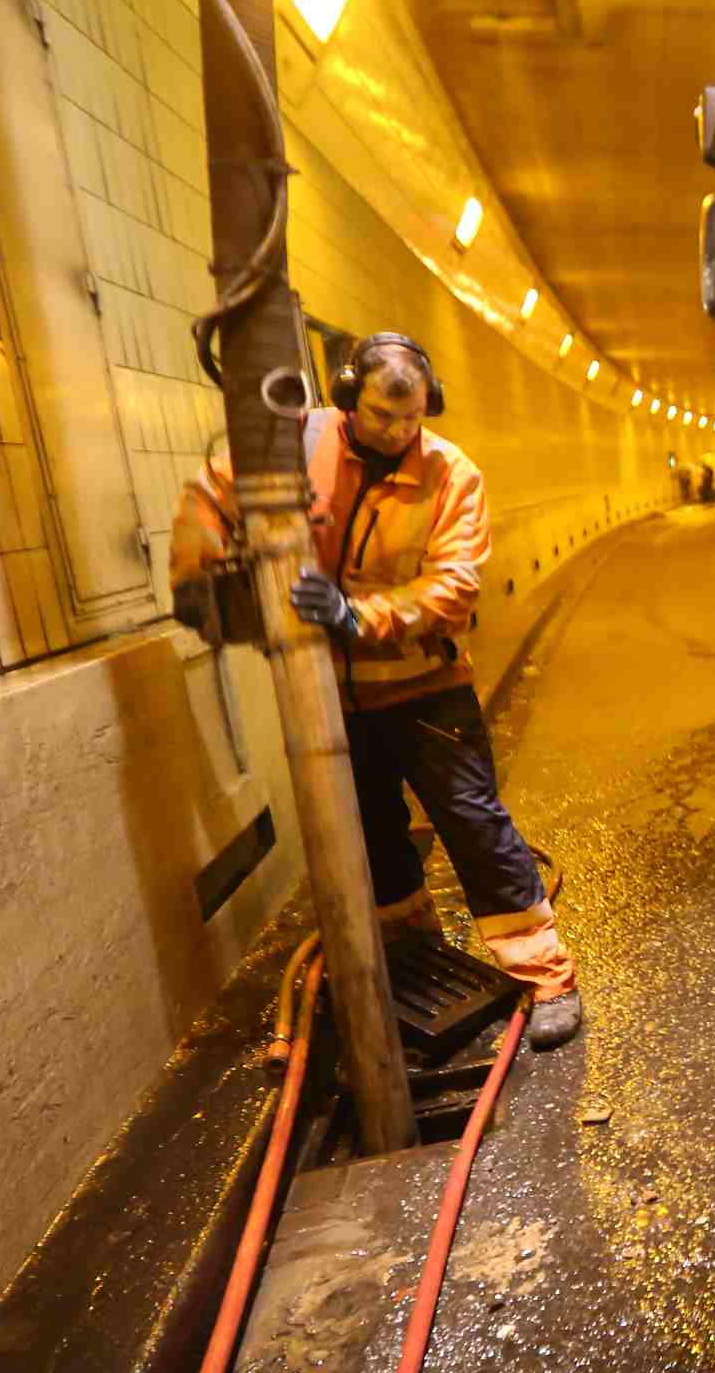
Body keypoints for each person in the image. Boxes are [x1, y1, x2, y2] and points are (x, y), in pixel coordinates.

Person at [171, 331, 584, 1044]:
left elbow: (454, 586)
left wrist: (356, 616)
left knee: (473, 824)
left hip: (425, 687)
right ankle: (409, 949)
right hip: (332, 697)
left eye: (410, 418)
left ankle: (545, 977)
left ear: (430, 408)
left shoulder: (452, 475)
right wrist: (195, 573)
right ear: (346, 397)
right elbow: (213, 493)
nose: (396, 432)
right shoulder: (299, 444)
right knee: (371, 830)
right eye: (381, 416)